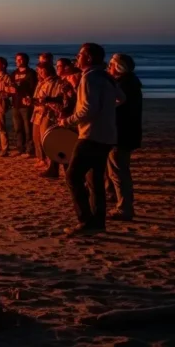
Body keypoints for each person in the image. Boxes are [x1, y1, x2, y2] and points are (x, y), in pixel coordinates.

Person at [60, 43, 124, 237]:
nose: (76, 58)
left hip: (90, 135)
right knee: (94, 180)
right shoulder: (106, 76)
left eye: (79, 55)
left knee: (72, 176)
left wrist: (68, 121)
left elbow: (87, 109)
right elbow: (121, 98)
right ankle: (98, 222)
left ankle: (86, 220)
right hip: (107, 135)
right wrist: (107, 111)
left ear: (88, 58)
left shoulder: (89, 78)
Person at [107, 53, 142, 221]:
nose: (109, 68)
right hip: (126, 132)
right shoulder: (130, 83)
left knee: (119, 172)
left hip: (121, 134)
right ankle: (123, 204)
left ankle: (124, 207)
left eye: (112, 65)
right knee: (119, 170)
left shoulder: (124, 85)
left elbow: (117, 108)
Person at [31, 62, 69, 178]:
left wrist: (46, 100)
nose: (40, 73)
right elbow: (39, 98)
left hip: (49, 114)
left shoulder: (57, 82)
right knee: (38, 138)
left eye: (42, 70)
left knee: (49, 140)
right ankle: (49, 164)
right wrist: (32, 101)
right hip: (39, 113)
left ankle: (54, 167)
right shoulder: (42, 82)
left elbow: (59, 99)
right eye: (38, 70)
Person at [11, 53, 38, 158]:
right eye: (17, 59)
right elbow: (12, 86)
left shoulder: (31, 73)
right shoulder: (14, 73)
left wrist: (20, 89)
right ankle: (20, 148)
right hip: (16, 103)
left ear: (26, 60)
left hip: (26, 105)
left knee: (28, 128)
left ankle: (29, 150)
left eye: (20, 60)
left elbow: (32, 89)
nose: (18, 62)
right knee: (18, 128)